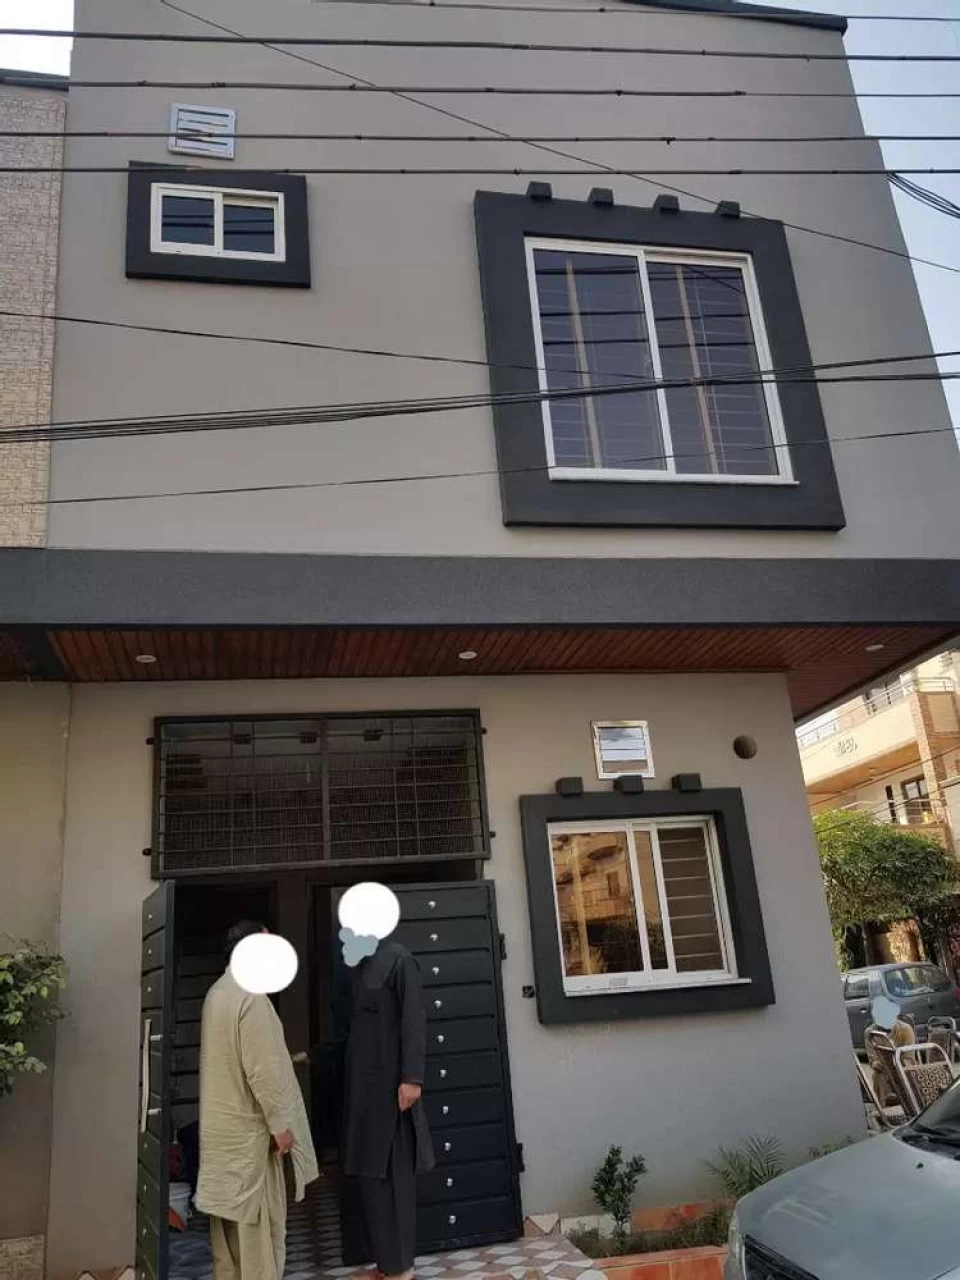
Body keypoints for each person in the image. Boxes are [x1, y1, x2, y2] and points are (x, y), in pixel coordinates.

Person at [196, 921, 318, 1280]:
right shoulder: (251, 997)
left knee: (228, 1249)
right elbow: (262, 1071)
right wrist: (281, 1127)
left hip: (222, 1143)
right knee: (259, 1245)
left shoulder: (218, 992)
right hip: (251, 1145)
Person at [341, 935, 435, 1280]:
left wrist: (412, 1077)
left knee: (392, 1179)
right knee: (371, 1181)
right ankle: (387, 1264)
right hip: (365, 1093)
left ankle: (400, 1270)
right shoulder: (360, 963)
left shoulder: (399, 960)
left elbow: (413, 1018)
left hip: (393, 1093)